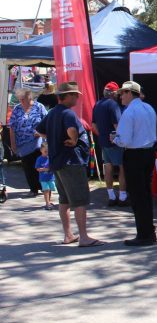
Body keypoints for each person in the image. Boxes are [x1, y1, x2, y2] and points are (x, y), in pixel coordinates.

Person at [35, 82, 103, 247]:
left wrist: (53, 138)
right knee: (79, 200)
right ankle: (84, 237)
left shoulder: (52, 113)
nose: (78, 97)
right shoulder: (68, 113)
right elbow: (72, 130)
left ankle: (68, 235)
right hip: (71, 161)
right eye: (75, 94)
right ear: (68, 96)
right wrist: (72, 140)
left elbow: (39, 130)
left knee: (64, 199)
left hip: (57, 161)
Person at [113, 81, 157, 247]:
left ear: (131, 93)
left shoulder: (130, 111)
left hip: (135, 154)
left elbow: (124, 139)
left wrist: (115, 139)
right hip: (147, 153)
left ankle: (144, 233)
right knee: (145, 194)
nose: (121, 96)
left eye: (123, 93)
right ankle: (148, 231)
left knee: (139, 196)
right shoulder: (149, 108)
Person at [92, 81, 127, 207]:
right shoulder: (113, 105)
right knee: (122, 168)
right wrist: (120, 139)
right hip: (115, 142)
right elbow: (118, 126)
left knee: (108, 168)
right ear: (113, 93)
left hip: (103, 142)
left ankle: (111, 196)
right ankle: (123, 197)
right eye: (117, 93)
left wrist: (102, 135)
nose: (119, 95)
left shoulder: (97, 105)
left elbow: (93, 125)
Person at [9, 88, 47, 197]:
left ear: (29, 97)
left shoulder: (39, 107)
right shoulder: (17, 109)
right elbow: (12, 127)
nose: (21, 101)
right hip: (23, 144)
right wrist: (13, 144)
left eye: (23, 99)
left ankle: (44, 187)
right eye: (20, 99)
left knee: (40, 164)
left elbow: (46, 122)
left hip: (39, 143)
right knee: (28, 166)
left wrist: (40, 133)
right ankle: (33, 189)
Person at [35, 142, 56, 210]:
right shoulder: (39, 159)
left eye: (48, 151)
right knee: (46, 190)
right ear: (41, 150)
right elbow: (37, 169)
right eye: (45, 151)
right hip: (43, 178)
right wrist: (45, 169)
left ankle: (49, 202)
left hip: (51, 177)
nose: (47, 153)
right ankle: (47, 204)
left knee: (50, 190)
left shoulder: (50, 158)